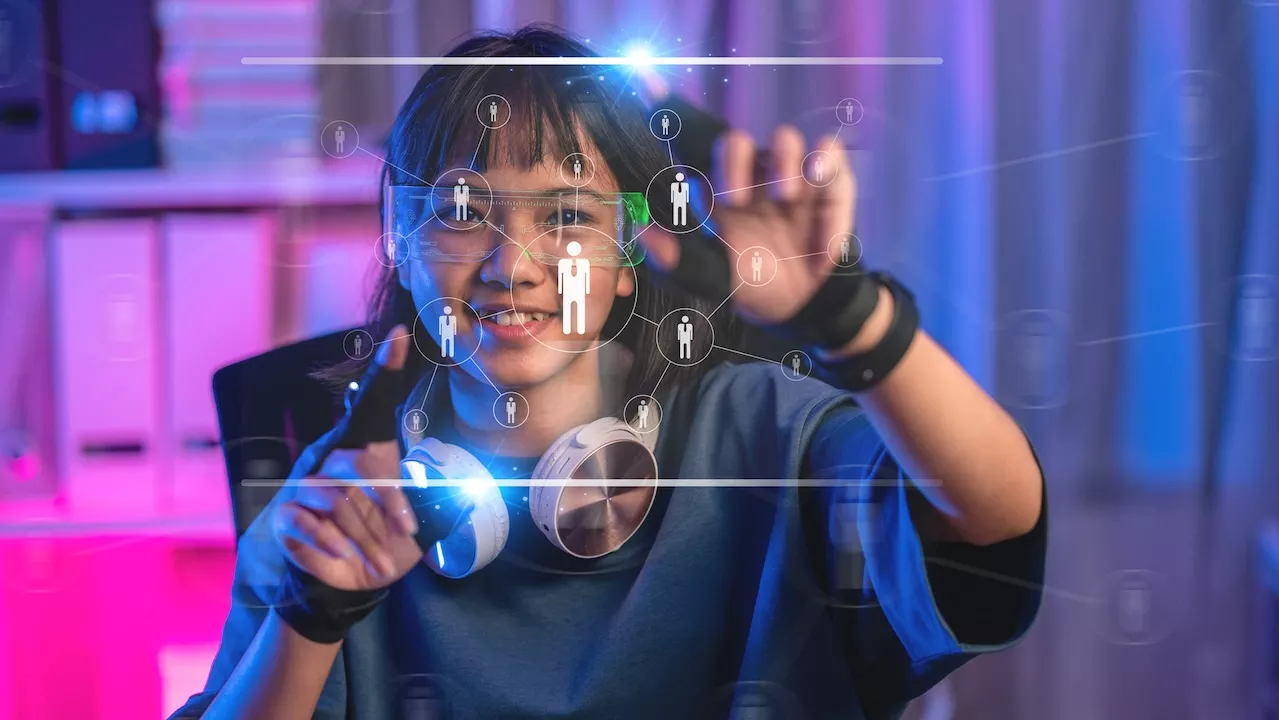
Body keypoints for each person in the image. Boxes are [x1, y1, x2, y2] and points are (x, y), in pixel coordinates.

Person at [174, 26, 1045, 720]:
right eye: (462, 212)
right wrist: (309, 617)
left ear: (630, 255)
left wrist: (853, 323)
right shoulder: (345, 494)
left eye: (566, 217)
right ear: (400, 243)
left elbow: (994, 518)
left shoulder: (759, 434)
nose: (512, 267)